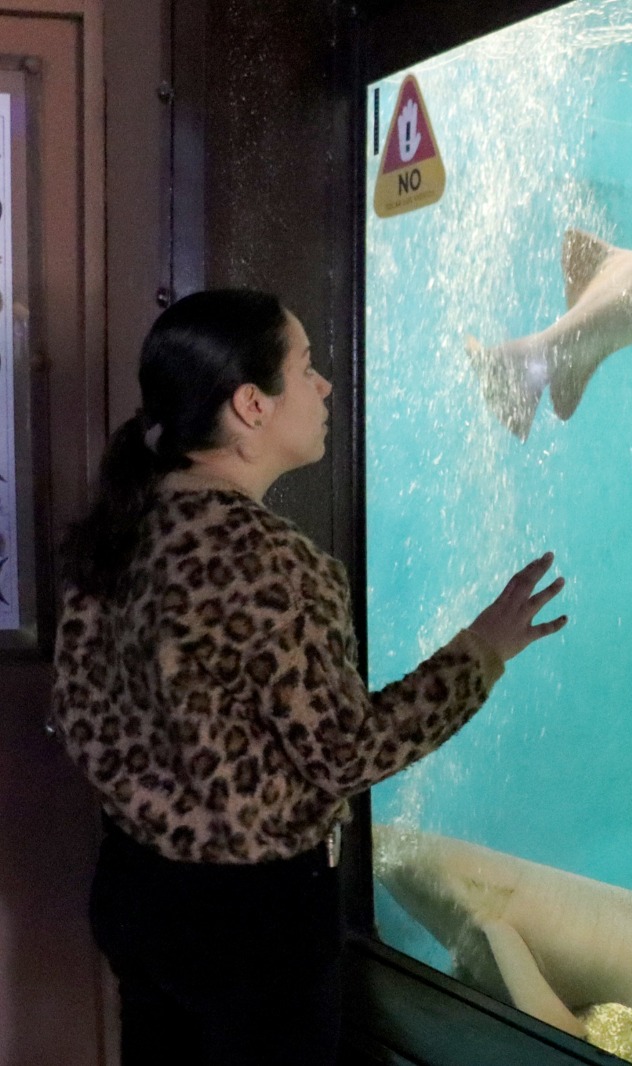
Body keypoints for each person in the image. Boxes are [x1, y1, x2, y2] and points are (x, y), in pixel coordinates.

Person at [49, 288, 568, 1066]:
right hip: (250, 925)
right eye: (307, 366)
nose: (325, 387)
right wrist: (481, 652)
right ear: (252, 405)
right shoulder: (272, 563)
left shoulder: (123, 528)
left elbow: (80, 715)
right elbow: (346, 753)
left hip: (135, 891)